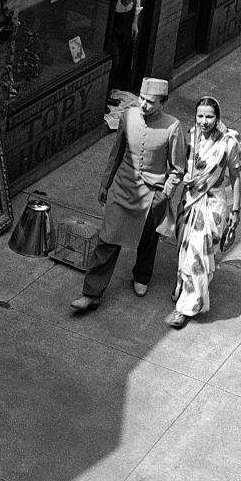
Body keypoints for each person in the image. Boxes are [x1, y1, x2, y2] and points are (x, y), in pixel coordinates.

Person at [70, 76, 185, 311]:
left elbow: (177, 168)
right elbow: (116, 152)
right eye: (142, 98)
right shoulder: (128, 116)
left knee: (147, 238)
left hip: (152, 192)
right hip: (122, 187)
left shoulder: (172, 127)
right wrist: (105, 183)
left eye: (150, 102)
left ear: (162, 102)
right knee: (107, 239)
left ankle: (142, 275)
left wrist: (165, 193)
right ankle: (92, 293)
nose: (143, 105)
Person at [165, 96, 241, 330]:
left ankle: (187, 307)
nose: (204, 121)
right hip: (190, 200)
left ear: (217, 117)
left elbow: (235, 177)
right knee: (185, 247)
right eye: (200, 116)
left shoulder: (228, 143)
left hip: (213, 204)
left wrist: (236, 210)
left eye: (209, 116)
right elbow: (181, 167)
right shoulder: (191, 136)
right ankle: (184, 286)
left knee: (198, 254)